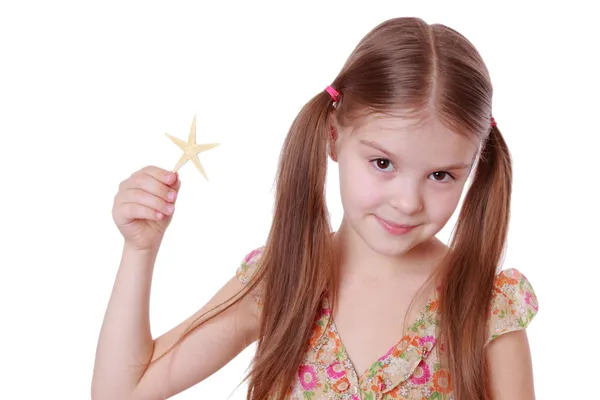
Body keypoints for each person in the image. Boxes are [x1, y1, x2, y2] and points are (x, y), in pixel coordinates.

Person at [92, 16, 539, 400]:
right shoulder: (285, 279)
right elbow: (124, 390)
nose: (407, 202)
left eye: (441, 175)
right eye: (382, 163)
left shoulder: (486, 306)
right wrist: (139, 250)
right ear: (333, 137)